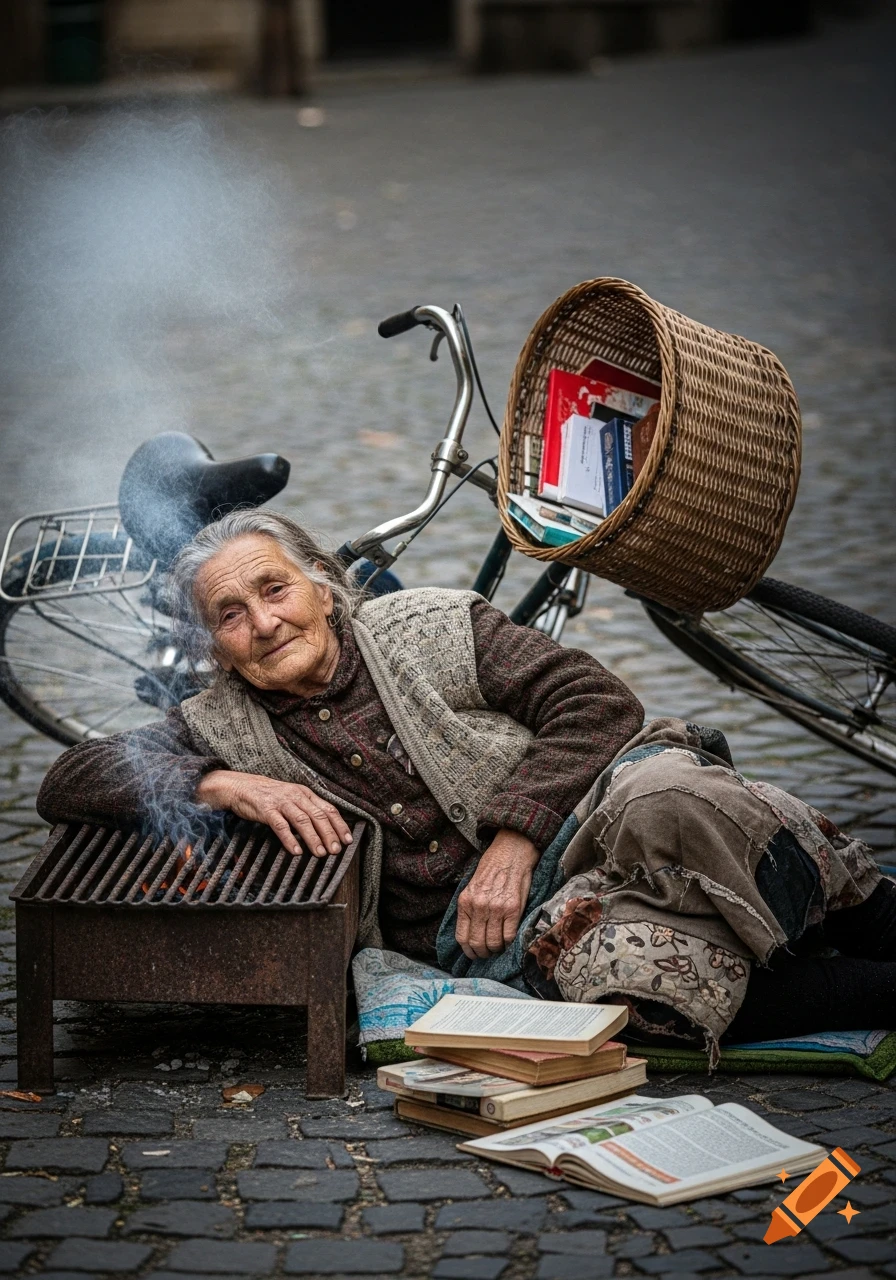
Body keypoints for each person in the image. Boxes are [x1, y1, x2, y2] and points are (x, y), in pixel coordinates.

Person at [38, 511, 896, 1059]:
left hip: (588, 810)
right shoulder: (217, 723)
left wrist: (515, 839)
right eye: (231, 615)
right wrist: (223, 783)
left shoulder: (428, 625)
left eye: (275, 590)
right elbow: (70, 777)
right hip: (489, 932)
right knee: (642, 981)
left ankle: (874, 918)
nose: (263, 623)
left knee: (680, 794)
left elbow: (596, 703)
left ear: (326, 591)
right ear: (214, 646)